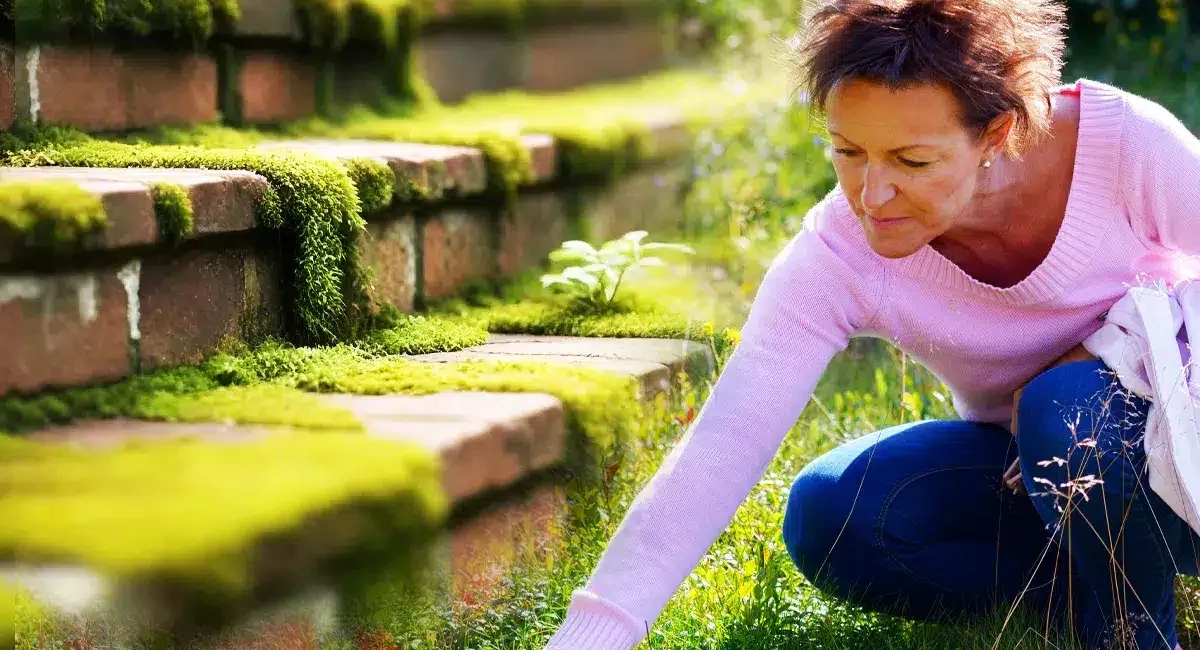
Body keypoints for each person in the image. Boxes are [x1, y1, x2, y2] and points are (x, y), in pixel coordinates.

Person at [543, 0, 1200, 648]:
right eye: (848, 151)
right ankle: (1087, 587)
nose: (871, 195)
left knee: (1067, 408)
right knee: (834, 513)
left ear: (996, 134)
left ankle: (1133, 631)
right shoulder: (837, 255)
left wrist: (1110, 350)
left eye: (912, 161)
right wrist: (595, 633)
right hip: (1035, 472)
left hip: (1176, 440)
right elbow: (723, 441)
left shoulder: (1119, 146)